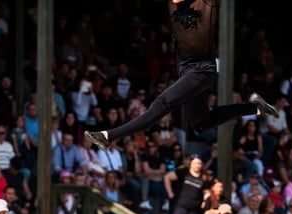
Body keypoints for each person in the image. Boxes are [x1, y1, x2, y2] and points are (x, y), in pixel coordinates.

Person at [84, 1, 276, 152]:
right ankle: (255, 107)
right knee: (201, 123)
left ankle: (108, 136)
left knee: (162, 103)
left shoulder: (206, 3)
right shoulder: (174, 5)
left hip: (202, 69)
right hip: (185, 68)